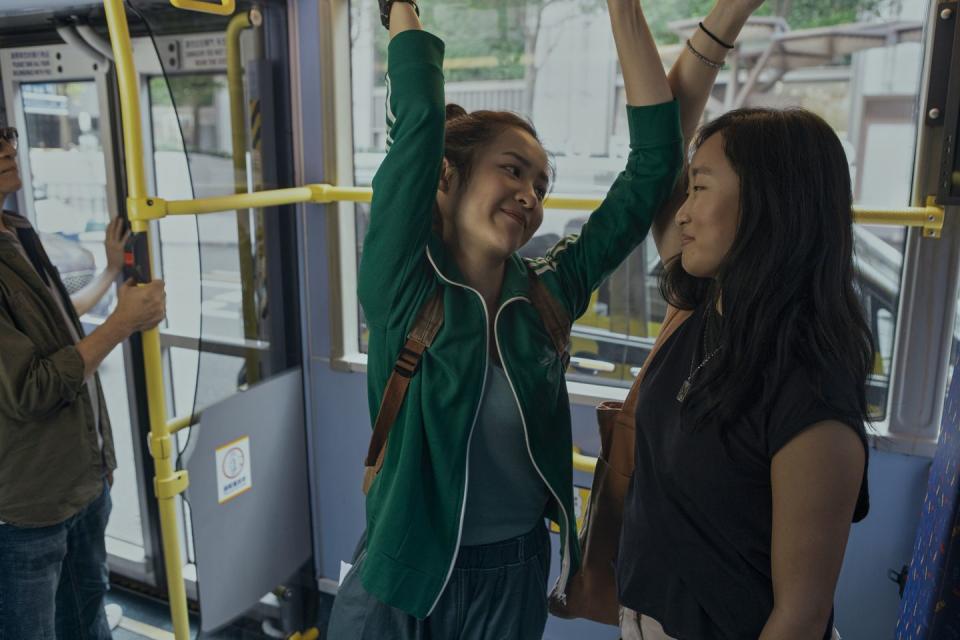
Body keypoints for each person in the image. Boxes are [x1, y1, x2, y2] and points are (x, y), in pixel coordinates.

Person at [326, 0, 760, 636]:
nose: (530, 195)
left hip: (514, 572)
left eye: (542, 185)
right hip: (404, 571)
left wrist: (627, 13)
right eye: (512, 170)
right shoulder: (403, 285)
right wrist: (400, 13)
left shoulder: (549, 293)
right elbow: (417, 120)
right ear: (446, 178)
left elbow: (649, 172)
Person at [615, 80, 873, 640]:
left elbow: (800, 617)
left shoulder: (811, 391)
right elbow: (658, 144)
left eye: (699, 188)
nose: (682, 213)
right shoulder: (702, 308)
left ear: (767, 201)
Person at [0, 129, 167, 639]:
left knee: (88, 619)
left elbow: (55, 327)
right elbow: (32, 386)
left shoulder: (16, 229)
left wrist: (111, 273)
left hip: (82, 485)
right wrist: (121, 324)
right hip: (28, 510)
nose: (7, 148)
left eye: (6, 135)